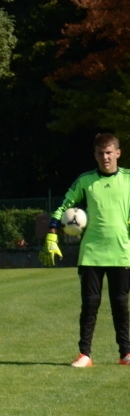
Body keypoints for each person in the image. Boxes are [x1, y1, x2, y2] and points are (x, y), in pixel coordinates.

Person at [42, 132, 130, 367]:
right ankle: (85, 355)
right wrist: (52, 232)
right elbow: (64, 206)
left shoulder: (129, 180)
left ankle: (126, 354)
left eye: (109, 152)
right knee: (90, 304)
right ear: (95, 155)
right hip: (91, 253)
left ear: (118, 153)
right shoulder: (85, 181)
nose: (105, 157)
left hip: (121, 252)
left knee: (120, 304)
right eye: (101, 153)